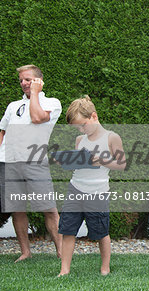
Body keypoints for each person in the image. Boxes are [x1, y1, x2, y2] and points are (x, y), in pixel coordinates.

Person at [58, 96, 126, 276]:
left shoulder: (111, 137)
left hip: (97, 193)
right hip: (76, 189)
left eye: (82, 125)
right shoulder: (80, 139)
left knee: (100, 232)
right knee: (67, 229)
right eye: (77, 128)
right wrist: (67, 161)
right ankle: (64, 270)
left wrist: (100, 160)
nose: (80, 130)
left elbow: (122, 164)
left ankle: (105, 267)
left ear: (94, 117)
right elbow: (79, 163)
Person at [0, 64, 62, 262]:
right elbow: (2, 131)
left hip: (35, 163)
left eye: (28, 80)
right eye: (21, 81)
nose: (24, 84)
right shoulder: (13, 106)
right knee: (17, 208)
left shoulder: (52, 103)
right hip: (10, 164)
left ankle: (62, 253)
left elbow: (37, 117)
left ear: (38, 80)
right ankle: (25, 252)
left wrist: (35, 93)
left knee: (49, 209)